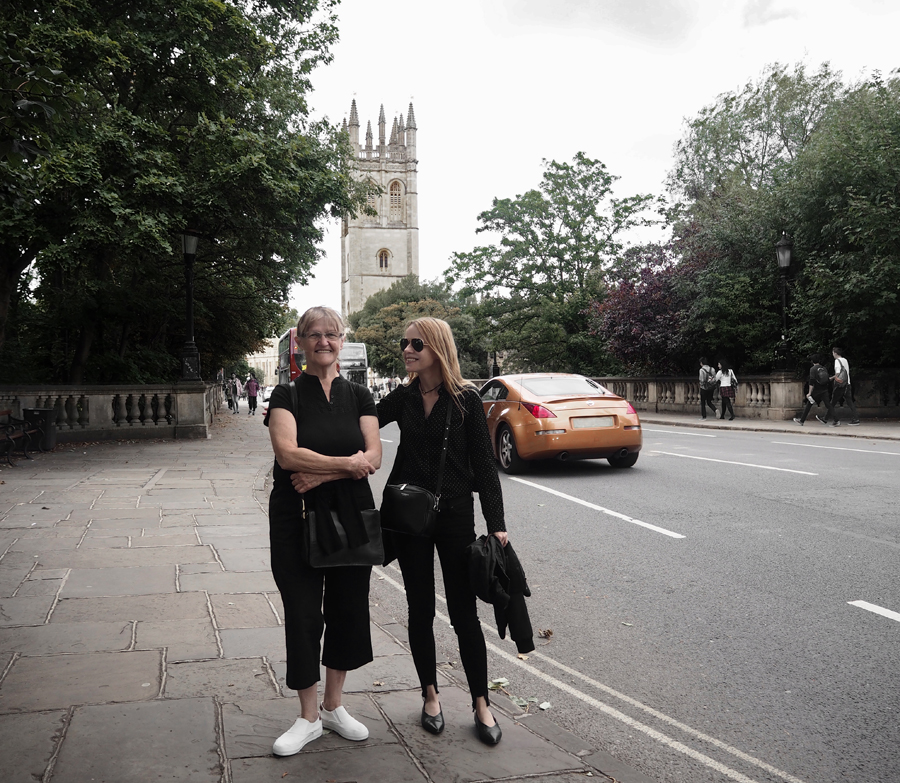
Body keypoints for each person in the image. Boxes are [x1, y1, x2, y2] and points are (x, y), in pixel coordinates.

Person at [376, 317, 508, 746]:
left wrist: (498, 527)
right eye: (405, 343)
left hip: (454, 517)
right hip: (412, 517)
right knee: (419, 608)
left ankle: (481, 703)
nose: (407, 349)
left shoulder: (466, 399)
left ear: (437, 347)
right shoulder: (405, 397)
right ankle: (430, 695)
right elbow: (362, 421)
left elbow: (486, 470)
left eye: (416, 343)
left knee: (464, 614)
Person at [264, 306, 382, 756]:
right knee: (304, 612)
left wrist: (326, 473)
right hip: (295, 514)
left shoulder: (359, 396)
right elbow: (288, 456)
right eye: (314, 335)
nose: (323, 342)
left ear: (341, 339)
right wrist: (345, 465)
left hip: (351, 514)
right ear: (300, 341)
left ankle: (334, 707)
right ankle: (308, 715)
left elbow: (373, 457)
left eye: (331, 334)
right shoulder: (285, 395)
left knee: (348, 608)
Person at [817, 346, 861, 427]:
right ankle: (856, 419)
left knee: (833, 402)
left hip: (840, 385)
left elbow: (838, 372)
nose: (832, 354)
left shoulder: (837, 361)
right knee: (850, 402)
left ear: (835, 353)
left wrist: (831, 378)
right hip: (847, 383)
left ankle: (827, 419)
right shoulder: (845, 360)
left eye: (833, 353)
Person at [794, 354, 830, 425]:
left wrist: (809, 392)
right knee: (828, 405)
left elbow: (812, 381)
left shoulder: (813, 369)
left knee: (809, 404)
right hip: (824, 389)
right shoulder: (823, 368)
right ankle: (836, 419)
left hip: (816, 390)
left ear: (812, 361)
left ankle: (802, 420)